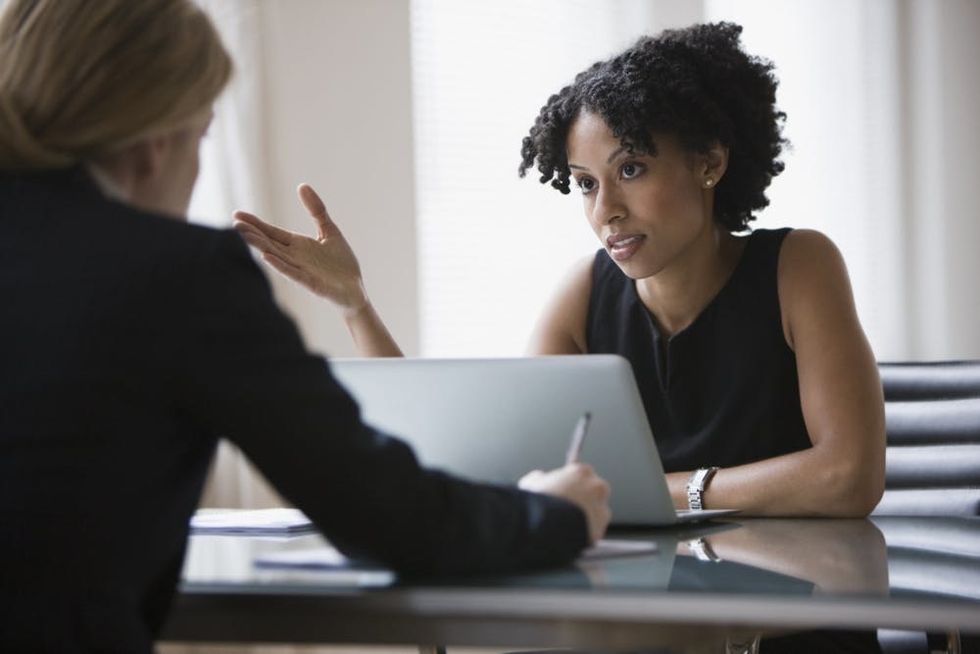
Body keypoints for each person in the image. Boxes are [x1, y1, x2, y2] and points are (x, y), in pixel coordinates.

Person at [0, 1, 610, 651]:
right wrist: (558, 513)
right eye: (202, 136)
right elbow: (390, 516)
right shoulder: (176, 276)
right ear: (154, 141)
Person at [236, 22, 886, 519]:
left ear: (708, 161)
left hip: (789, 620)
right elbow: (470, 463)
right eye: (584, 184)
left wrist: (668, 493)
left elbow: (850, 475)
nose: (606, 210)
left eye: (631, 169)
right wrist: (356, 306)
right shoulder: (584, 292)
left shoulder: (799, 266)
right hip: (644, 621)